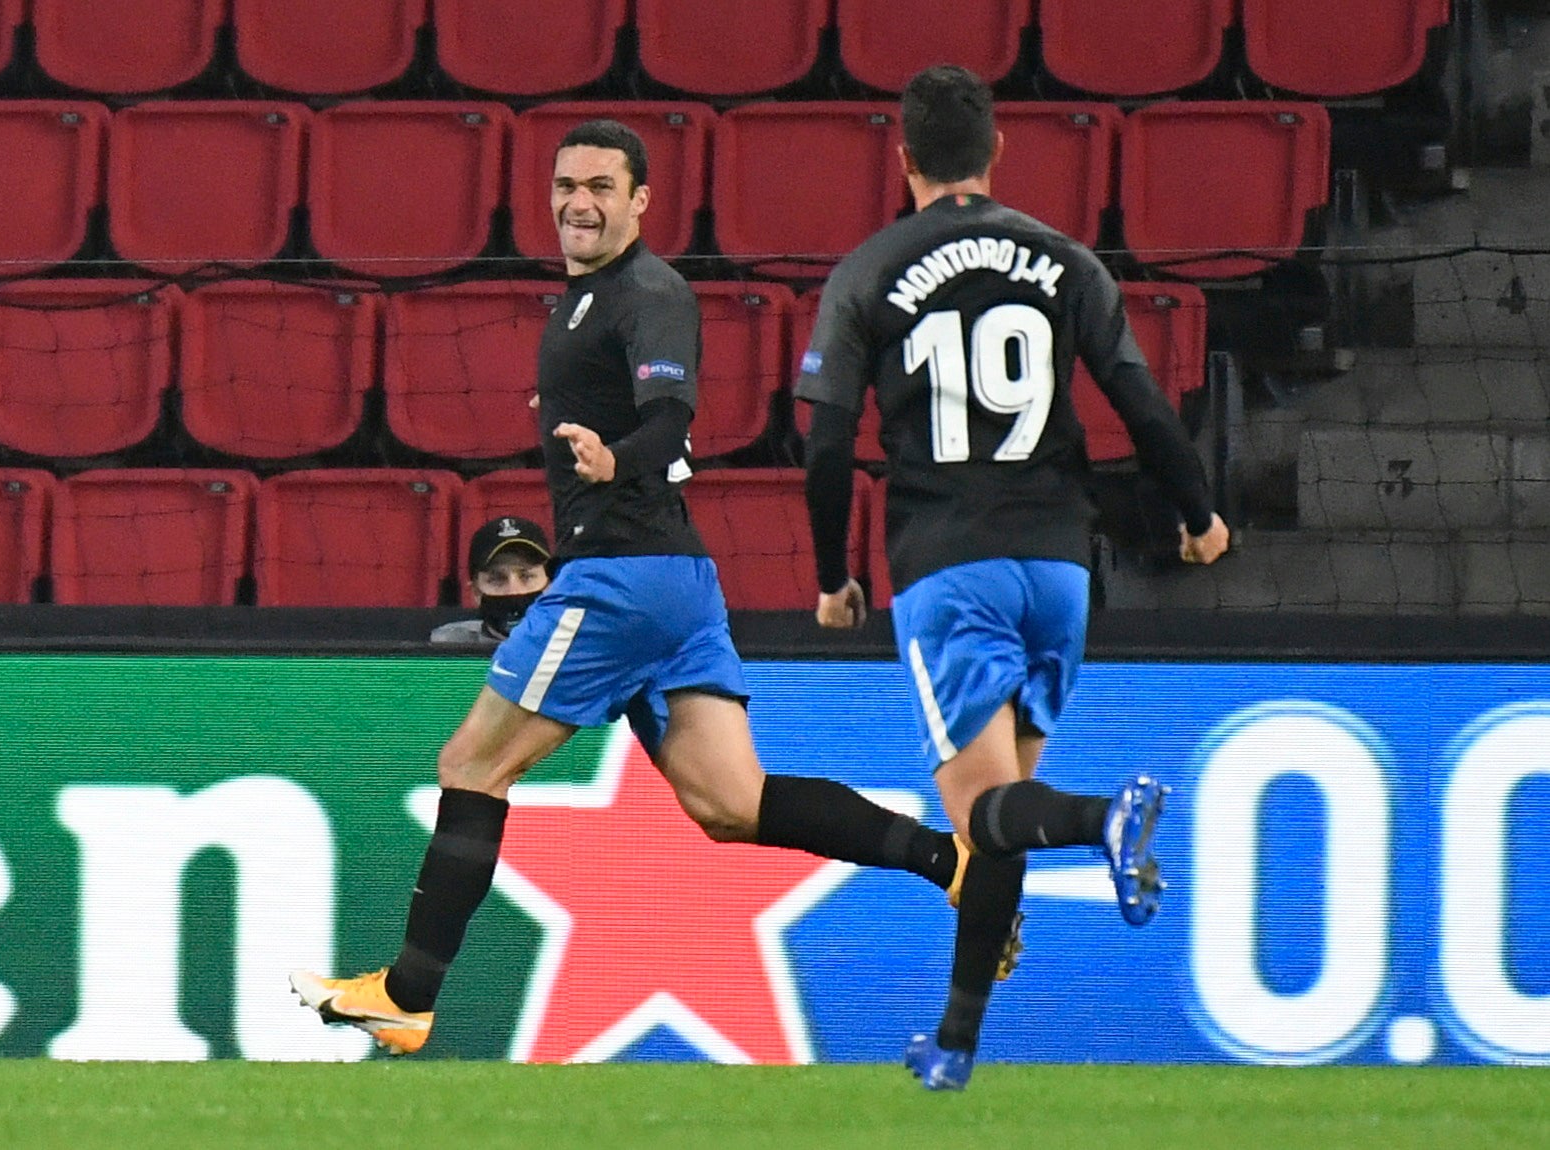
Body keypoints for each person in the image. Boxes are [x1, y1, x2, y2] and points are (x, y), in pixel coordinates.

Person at [291, 119, 971, 1056]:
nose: (579, 201)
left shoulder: (649, 292)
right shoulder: (586, 303)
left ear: (641, 201)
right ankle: (949, 858)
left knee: (472, 765)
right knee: (732, 804)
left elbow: (672, 417)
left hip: (615, 576)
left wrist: (616, 456)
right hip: (677, 584)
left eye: (602, 187)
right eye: (567, 184)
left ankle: (407, 995)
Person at [796, 65, 1230, 1091]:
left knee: (980, 809)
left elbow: (824, 446)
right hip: (1061, 566)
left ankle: (1104, 821)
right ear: (996, 156)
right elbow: (1139, 400)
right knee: (1002, 807)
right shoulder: (1065, 259)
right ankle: (955, 1038)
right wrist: (1200, 511)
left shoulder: (869, 268)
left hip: (952, 561)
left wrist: (832, 576)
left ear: (902, 159)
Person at [429, 516, 552, 646]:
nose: (514, 591)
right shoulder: (447, 650)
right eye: (497, 579)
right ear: (476, 592)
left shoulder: (574, 648)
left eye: (526, 576)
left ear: (552, 585)